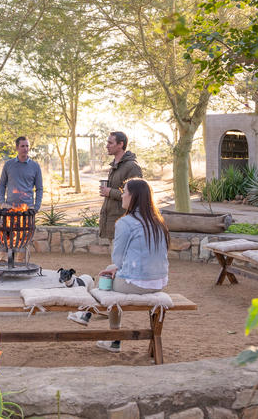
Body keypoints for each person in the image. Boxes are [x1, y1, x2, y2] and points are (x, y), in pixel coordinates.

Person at [69, 178, 170, 353]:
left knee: (103, 278)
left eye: (125, 192)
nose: (122, 195)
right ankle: (110, 338)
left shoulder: (126, 222)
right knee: (110, 271)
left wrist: (116, 268)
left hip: (137, 284)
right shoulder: (158, 222)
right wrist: (117, 268)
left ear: (134, 197)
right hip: (158, 282)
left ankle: (86, 313)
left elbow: (118, 258)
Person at [98, 131, 142, 240]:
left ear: (120, 144)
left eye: (110, 143)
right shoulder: (114, 166)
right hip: (111, 222)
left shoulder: (132, 167)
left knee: (122, 257)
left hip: (123, 223)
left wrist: (110, 192)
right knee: (115, 256)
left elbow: (135, 196)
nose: (107, 146)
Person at [0, 136, 43, 210]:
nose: (25, 149)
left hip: (28, 209)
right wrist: (2, 202)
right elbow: (2, 185)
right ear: (17, 147)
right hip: (10, 208)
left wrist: (37, 206)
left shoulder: (35, 166)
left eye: (27, 146)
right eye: (22, 146)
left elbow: (39, 188)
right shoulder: (8, 165)